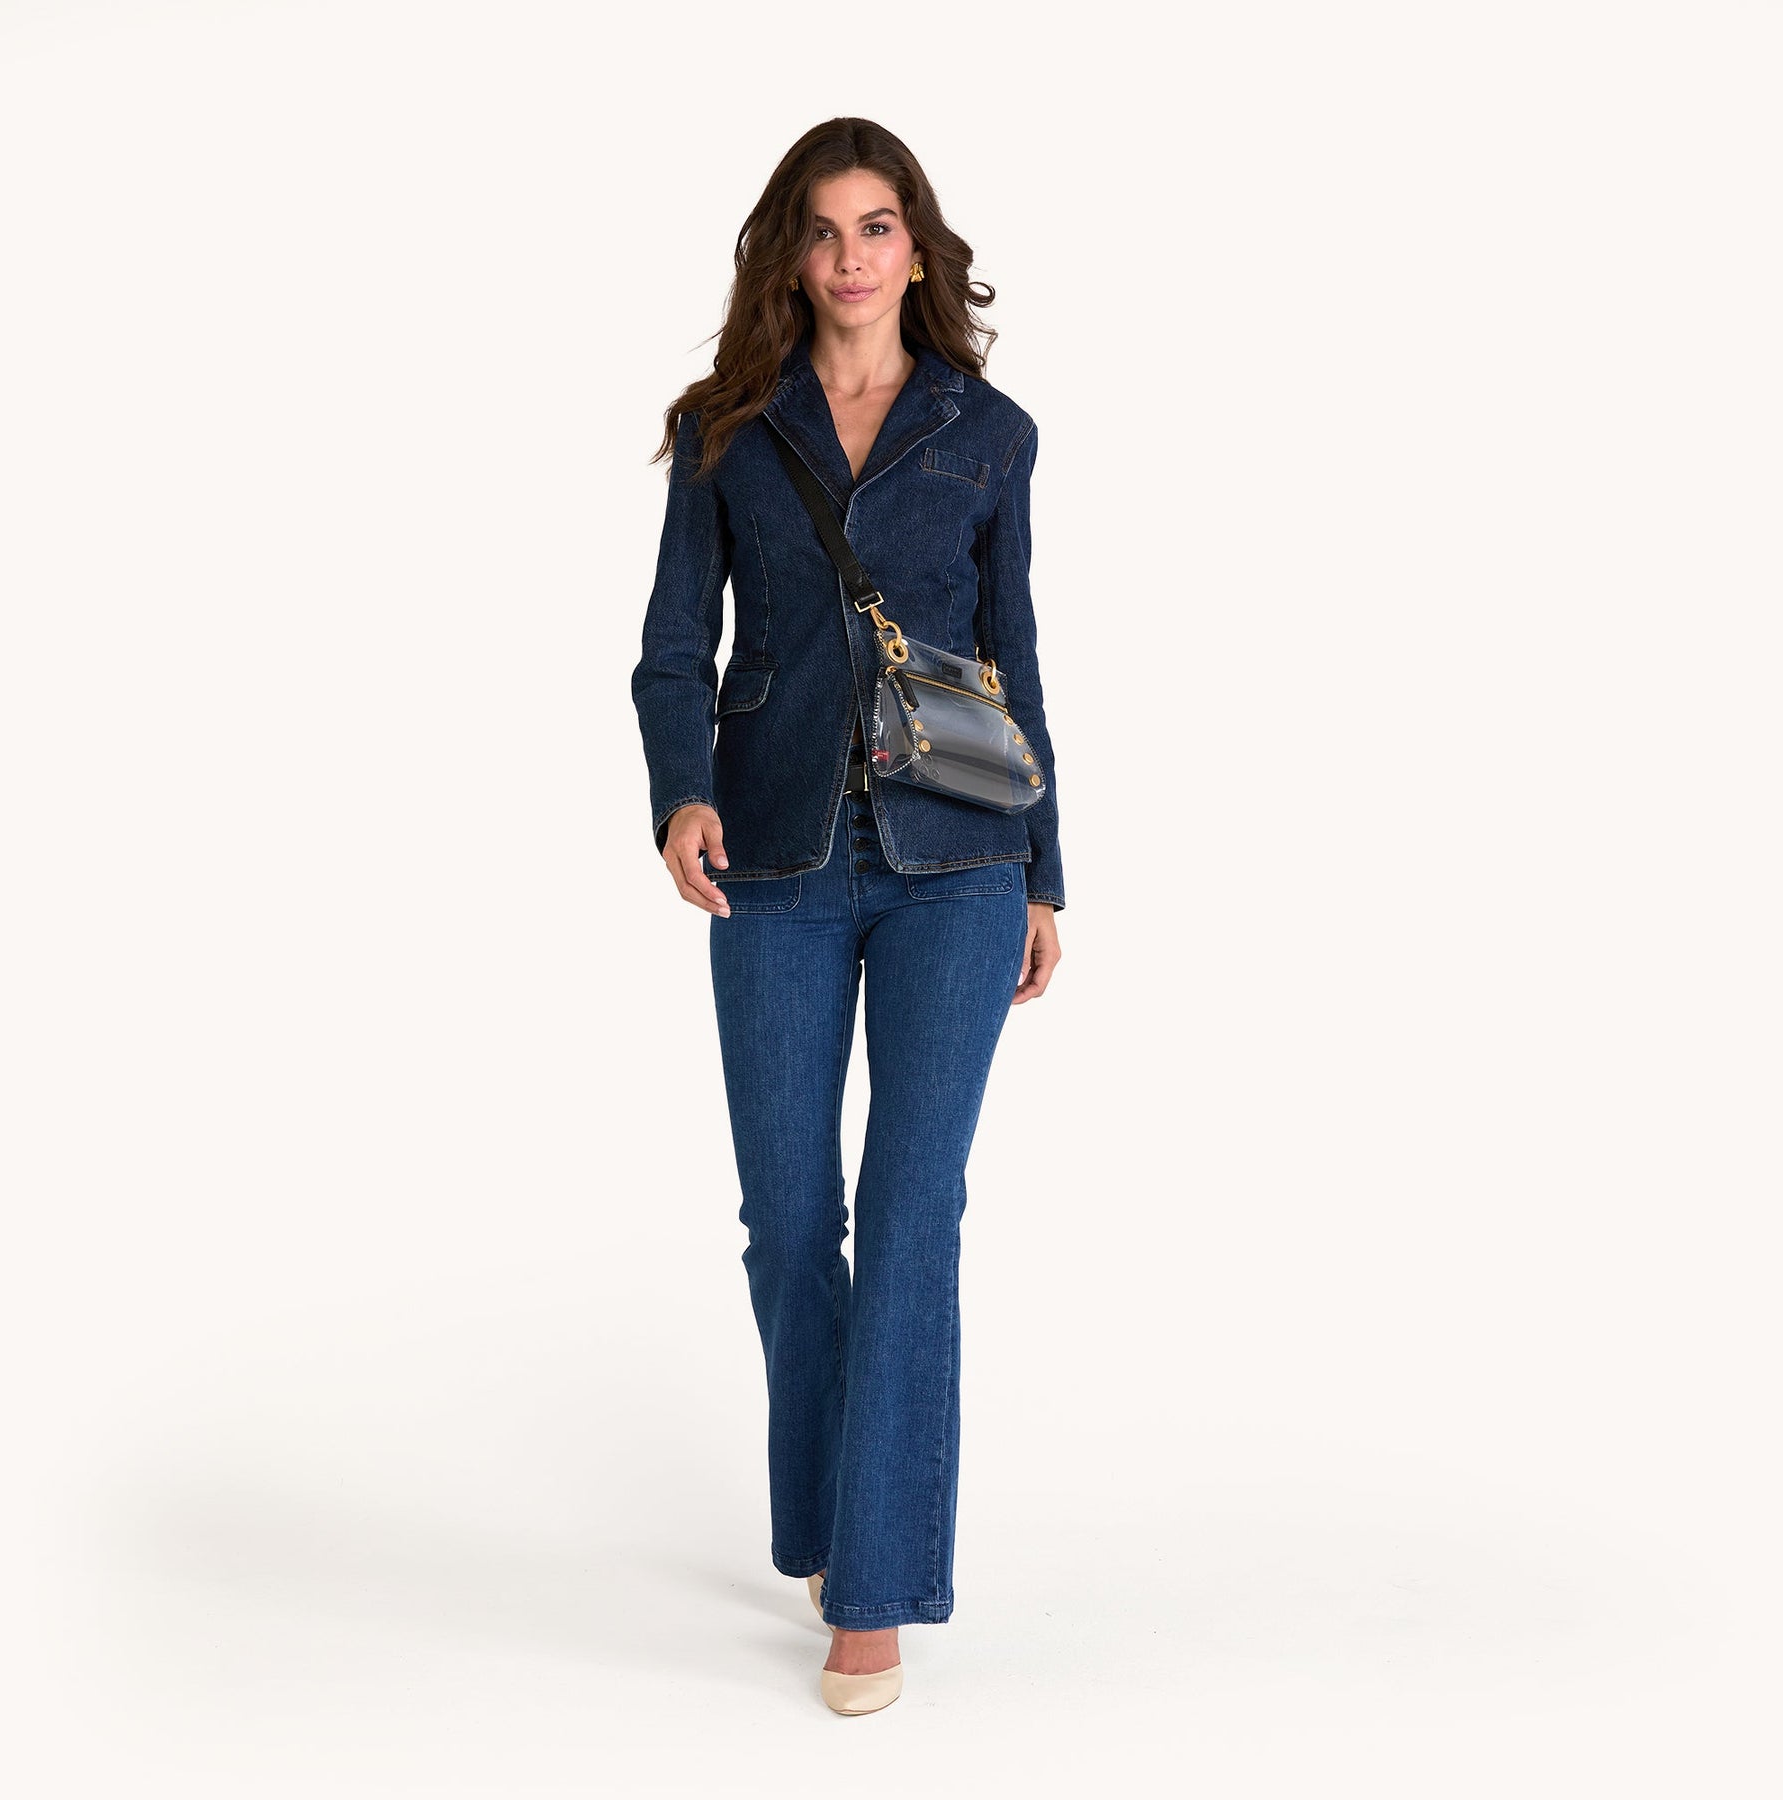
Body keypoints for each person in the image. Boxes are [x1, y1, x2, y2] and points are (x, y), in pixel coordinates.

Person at [629, 117, 1066, 1716]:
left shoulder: (988, 432)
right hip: (777, 859)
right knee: (788, 1219)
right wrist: (682, 793)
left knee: (913, 1211)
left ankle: (872, 1592)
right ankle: (828, 1514)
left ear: (917, 245)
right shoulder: (728, 430)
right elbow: (671, 647)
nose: (853, 255)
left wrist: (1047, 873)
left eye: (879, 226)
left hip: (960, 863)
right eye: (824, 230)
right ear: (791, 255)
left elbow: (1014, 656)